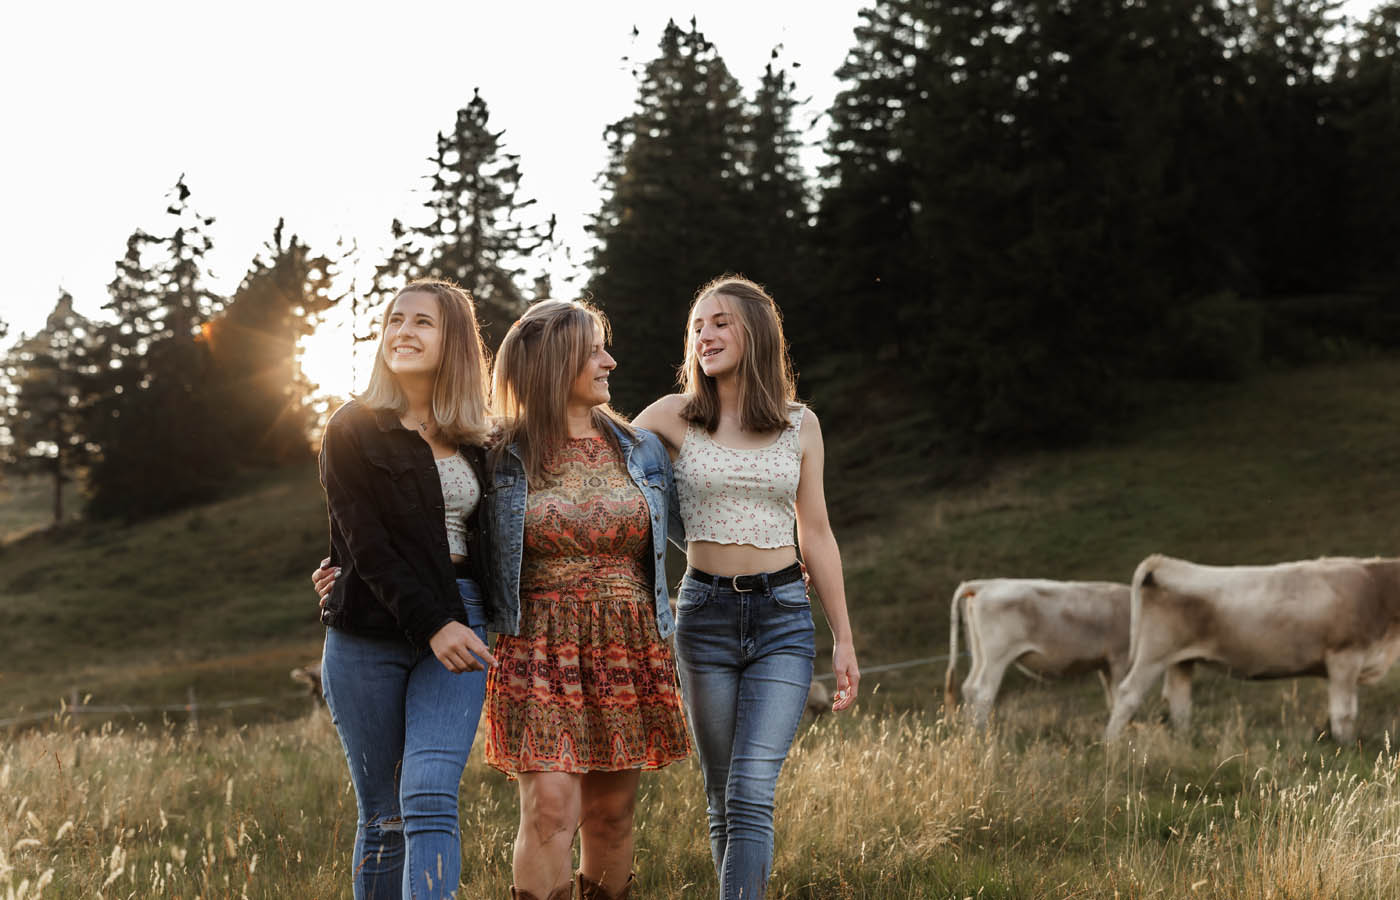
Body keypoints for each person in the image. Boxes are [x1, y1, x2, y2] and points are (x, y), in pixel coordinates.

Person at [316, 298, 689, 900]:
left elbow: (697, 517)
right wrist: (346, 569)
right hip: (535, 640)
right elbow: (422, 514)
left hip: (626, 642)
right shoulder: (497, 450)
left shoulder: (640, 448)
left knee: (613, 817)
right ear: (554, 361)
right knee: (547, 807)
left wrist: (775, 559)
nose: (609, 361)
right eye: (594, 349)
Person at [632, 274, 860, 900]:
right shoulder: (669, 416)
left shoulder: (800, 424)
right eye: (697, 326)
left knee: (750, 790)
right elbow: (606, 478)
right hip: (702, 616)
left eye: (721, 322)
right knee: (719, 796)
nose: (705, 335)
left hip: (784, 615)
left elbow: (816, 531)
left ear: (756, 333)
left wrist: (843, 637)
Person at [316, 279, 500, 900]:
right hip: (367, 630)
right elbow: (365, 542)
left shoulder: (483, 438)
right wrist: (430, 622)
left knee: (427, 789)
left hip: (463, 616)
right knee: (385, 816)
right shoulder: (351, 428)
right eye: (395, 320)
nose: (403, 332)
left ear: (454, 342)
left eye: (423, 322)